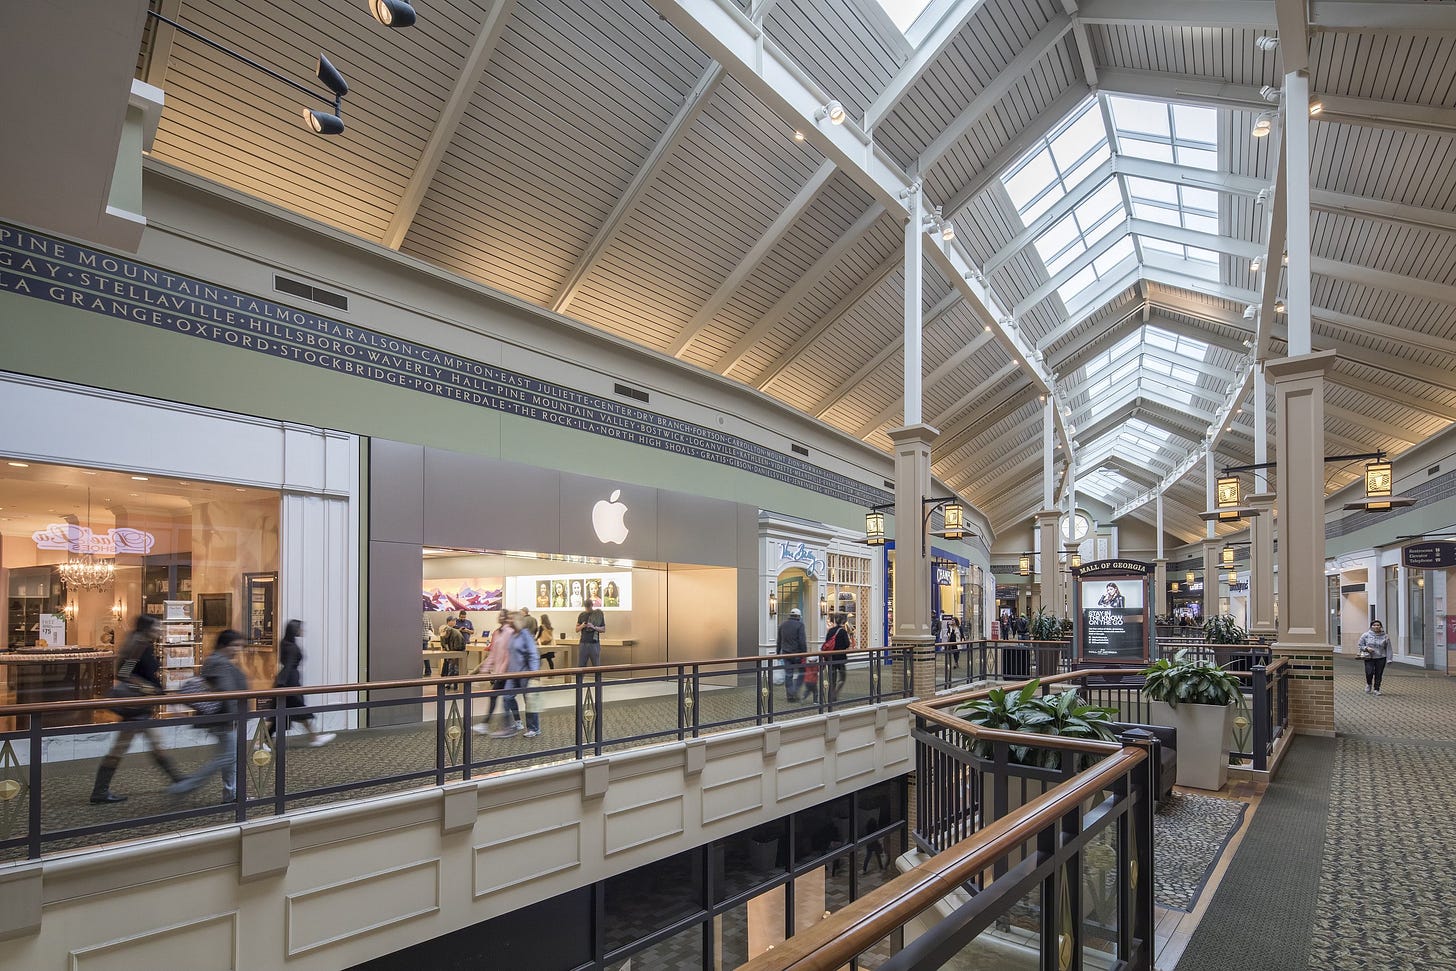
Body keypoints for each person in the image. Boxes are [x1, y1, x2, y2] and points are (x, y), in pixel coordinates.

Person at [90, 615, 182, 803]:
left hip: (140, 706)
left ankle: (179, 780)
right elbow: (124, 673)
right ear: (147, 628)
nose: (159, 630)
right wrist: (146, 687)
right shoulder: (139, 645)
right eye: (156, 627)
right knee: (122, 749)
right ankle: (99, 791)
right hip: (136, 706)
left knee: (154, 746)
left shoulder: (141, 643)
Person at [170, 629, 248, 802]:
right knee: (227, 758)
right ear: (223, 645)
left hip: (225, 718)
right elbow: (226, 692)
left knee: (230, 758)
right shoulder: (219, 662)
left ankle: (231, 794)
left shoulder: (218, 660)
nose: (237, 649)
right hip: (224, 718)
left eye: (240, 646)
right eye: (234, 645)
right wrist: (232, 717)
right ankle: (185, 786)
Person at [270, 619, 335, 747]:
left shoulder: (285, 643)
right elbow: (289, 666)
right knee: (298, 710)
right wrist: (282, 683)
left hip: (287, 680)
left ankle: (314, 737)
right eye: (300, 628)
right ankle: (314, 737)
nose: (302, 630)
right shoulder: (292, 647)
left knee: (280, 714)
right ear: (295, 630)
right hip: (290, 682)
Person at [494, 613, 541, 738]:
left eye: (511, 619)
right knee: (507, 698)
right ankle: (509, 727)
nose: (509, 620)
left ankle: (534, 728)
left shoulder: (525, 635)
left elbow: (533, 654)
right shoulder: (512, 635)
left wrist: (534, 673)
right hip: (512, 673)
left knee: (529, 702)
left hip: (525, 673)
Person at [472, 612, 516, 735]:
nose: (501, 617)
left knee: (504, 698)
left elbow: (508, 654)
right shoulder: (497, 632)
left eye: (504, 616)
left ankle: (507, 726)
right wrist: (485, 668)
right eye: (500, 615)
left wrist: (502, 672)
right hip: (499, 673)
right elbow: (493, 653)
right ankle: (510, 724)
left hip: (507, 672)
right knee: (500, 697)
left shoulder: (510, 632)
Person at [776, 606, 808, 702]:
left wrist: (778, 652)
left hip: (786, 654)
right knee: (802, 673)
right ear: (798, 616)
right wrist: (804, 654)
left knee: (788, 675)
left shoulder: (782, 625)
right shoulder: (800, 625)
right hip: (797, 654)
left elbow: (779, 641)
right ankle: (794, 691)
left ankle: (790, 695)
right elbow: (802, 641)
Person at [822, 612, 852, 704]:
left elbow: (827, 643)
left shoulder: (830, 631)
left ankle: (831, 696)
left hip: (831, 658)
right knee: (842, 677)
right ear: (842, 621)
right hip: (840, 658)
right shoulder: (843, 631)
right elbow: (847, 644)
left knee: (832, 679)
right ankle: (835, 693)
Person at [1357, 620, 1391, 695]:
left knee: (1379, 673)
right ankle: (1369, 684)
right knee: (1369, 672)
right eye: (1374, 625)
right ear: (1371, 626)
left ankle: (1376, 689)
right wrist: (1366, 648)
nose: (1376, 626)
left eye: (1378, 625)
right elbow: (1360, 645)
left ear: (1381, 627)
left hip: (1381, 657)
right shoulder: (1365, 635)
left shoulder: (1385, 636)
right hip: (1369, 657)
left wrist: (1389, 659)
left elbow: (1388, 648)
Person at [576, 597, 606, 668]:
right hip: (583, 643)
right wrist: (582, 626)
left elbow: (603, 629)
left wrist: (593, 627)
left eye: (588, 607)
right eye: (586, 607)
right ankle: (579, 679)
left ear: (592, 606)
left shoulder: (598, 614)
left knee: (596, 666)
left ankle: (598, 679)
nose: (587, 609)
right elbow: (577, 629)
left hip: (594, 644)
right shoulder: (582, 615)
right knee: (581, 666)